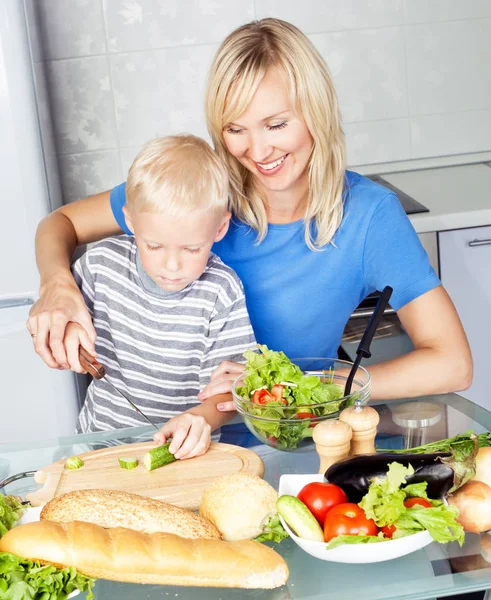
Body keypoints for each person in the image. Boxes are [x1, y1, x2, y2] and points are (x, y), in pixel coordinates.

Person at [27, 18, 472, 419]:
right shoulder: (200, 194)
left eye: (276, 125)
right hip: (170, 453)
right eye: (235, 129)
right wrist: (56, 286)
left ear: (316, 111)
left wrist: (307, 388)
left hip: (285, 450)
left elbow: (452, 363)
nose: (257, 153)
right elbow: (60, 224)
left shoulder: (369, 216)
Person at [63, 134, 256, 458]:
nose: (171, 265)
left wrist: (201, 418)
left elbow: (235, 389)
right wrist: (68, 333)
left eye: (192, 248)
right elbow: (61, 319)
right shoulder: (100, 266)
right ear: (129, 221)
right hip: (96, 448)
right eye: (153, 246)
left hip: (186, 454)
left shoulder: (221, 291)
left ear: (220, 229)